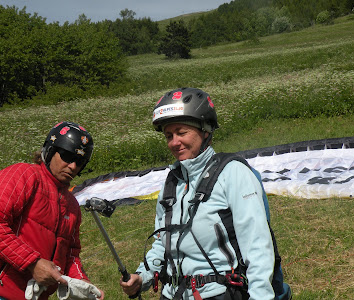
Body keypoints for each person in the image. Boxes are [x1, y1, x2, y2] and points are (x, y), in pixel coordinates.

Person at [120, 88, 283, 300]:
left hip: (221, 293)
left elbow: (257, 243)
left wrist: (260, 296)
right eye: (169, 135)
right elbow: (162, 242)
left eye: (181, 132)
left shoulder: (232, 173)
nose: (174, 142)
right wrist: (143, 276)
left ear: (205, 130)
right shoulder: (172, 181)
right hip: (173, 294)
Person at [0, 121, 104, 300]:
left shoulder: (72, 204)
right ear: (49, 150)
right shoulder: (24, 174)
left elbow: (70, 253)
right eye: (66, 156)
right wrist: (32, 263)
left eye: (79, 161)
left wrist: (82, 281)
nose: (72, 166)